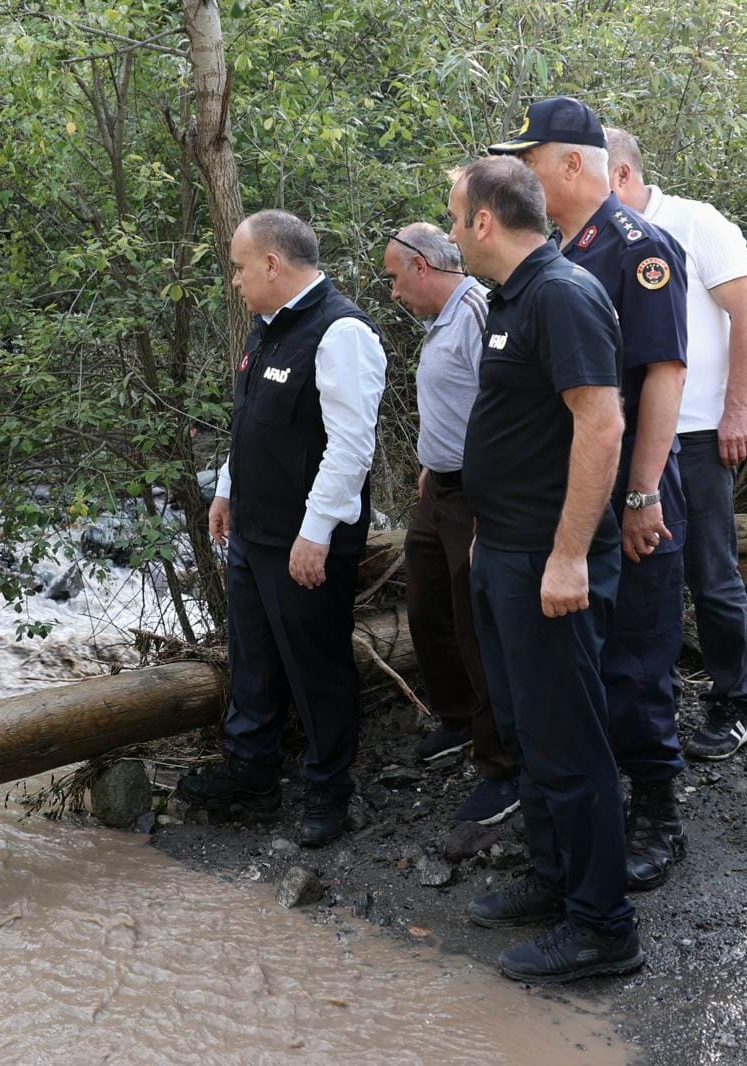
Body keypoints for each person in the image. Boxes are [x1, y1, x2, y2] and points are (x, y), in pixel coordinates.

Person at [449, 155, 642, 984]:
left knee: (570, 744)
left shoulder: (562, 293)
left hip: (550, 562)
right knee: (533, 735)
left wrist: (567, 556)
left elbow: (601, 427)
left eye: (455, 216)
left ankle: (603, 927)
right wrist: (488, 533)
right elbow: (523, 432)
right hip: (507, 551)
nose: (453, 229)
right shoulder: (511, 298)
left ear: (485, 221)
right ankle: (556, 880)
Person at [491, 97, 691, 892]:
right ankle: (584, 818)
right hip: (572, 488)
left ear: (572, 164)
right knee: (582, 661)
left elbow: (665, 378)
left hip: (630, 483)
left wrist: (642, 493)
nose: (524, 178)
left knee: (637, 654)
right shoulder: (561, 251)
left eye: (532, 162)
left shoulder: (639, 249)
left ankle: (657, 813)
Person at [181, 209, 387, 849]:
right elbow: (252, 421)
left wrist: (316, 529)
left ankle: (329, 791)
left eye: (241, 268)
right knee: (254, 660)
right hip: (253, 533)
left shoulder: (340, 332)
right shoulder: (266, 329)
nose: (236, 281)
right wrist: (226, 489)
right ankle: (252, 771)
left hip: (306, 541)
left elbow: (351, 446)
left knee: (317, 666)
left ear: (273, 264)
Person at [606, 126, 747, 760]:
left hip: (698, 430)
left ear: (619, 174)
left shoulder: (695, 224)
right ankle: (654, 700)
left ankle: (733, 703)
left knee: (710, 573)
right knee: (640, 578)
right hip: (628, 433)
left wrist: (738, 409)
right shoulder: (591, 240)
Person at [383, 223, 519, 826]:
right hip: (438, 487)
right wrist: (430, 462)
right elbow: (455, 402)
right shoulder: (441, 322)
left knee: (476, 624)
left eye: (393, 278)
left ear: (420, 266)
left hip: (476, 494)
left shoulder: (476, 312)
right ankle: (459, 719)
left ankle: (503, 766)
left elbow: (504, 410)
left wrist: (486, 494)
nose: (392, 293)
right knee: (425, 608)